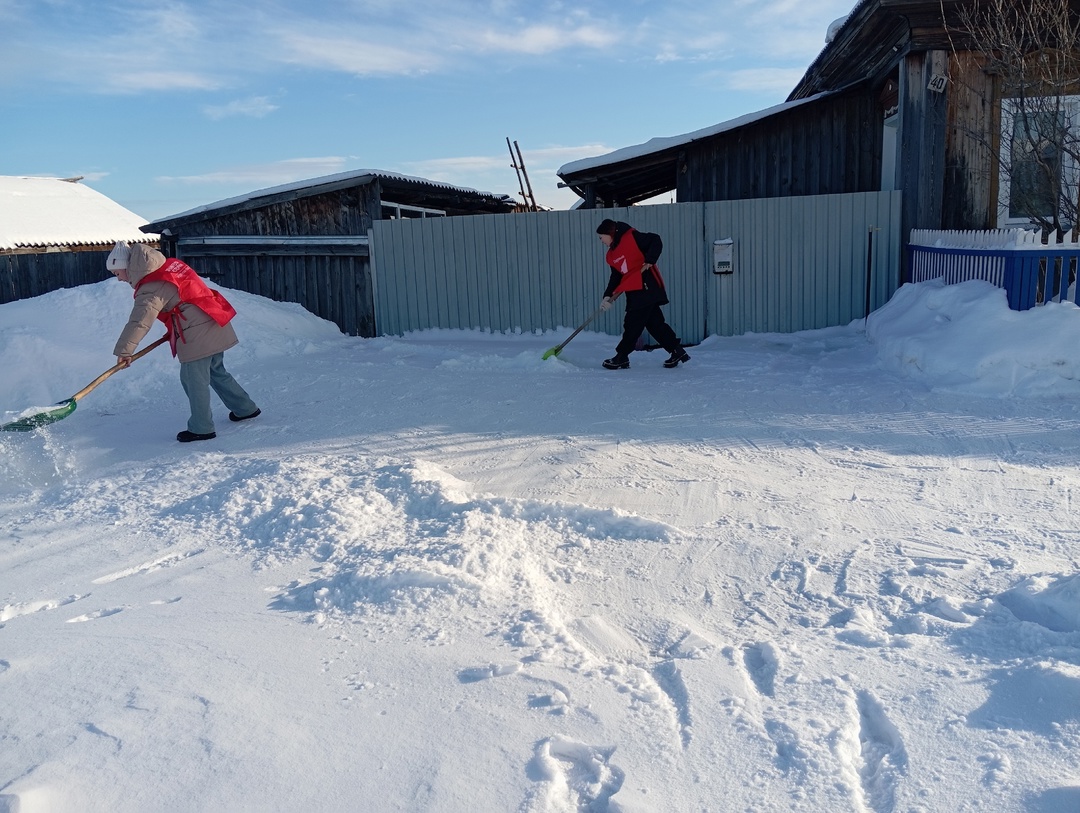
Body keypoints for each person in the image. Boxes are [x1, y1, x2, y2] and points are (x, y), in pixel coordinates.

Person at [107, 241, 261, 442]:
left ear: (128, 266)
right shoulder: (167, 267)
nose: (118, 279)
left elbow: (140, 321)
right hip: (212, 320)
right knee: (216, 371)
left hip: (197, 332)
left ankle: (202, 427)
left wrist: (125, 350)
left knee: (193, 379)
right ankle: (245, 409)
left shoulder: (152, 286)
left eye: (117, 273)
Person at [596, 218, 690, 370]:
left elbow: (655, 240)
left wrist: (650, 260)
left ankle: (621, 357)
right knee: (655, 324)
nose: (601, 241)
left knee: (632, 323)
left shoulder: (632, 237)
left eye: (601, 237)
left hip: (647, 287)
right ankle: (676, 351)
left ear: (609, 233)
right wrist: (607, 296)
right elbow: (616, 277)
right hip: (634, 291)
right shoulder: (612, 255)